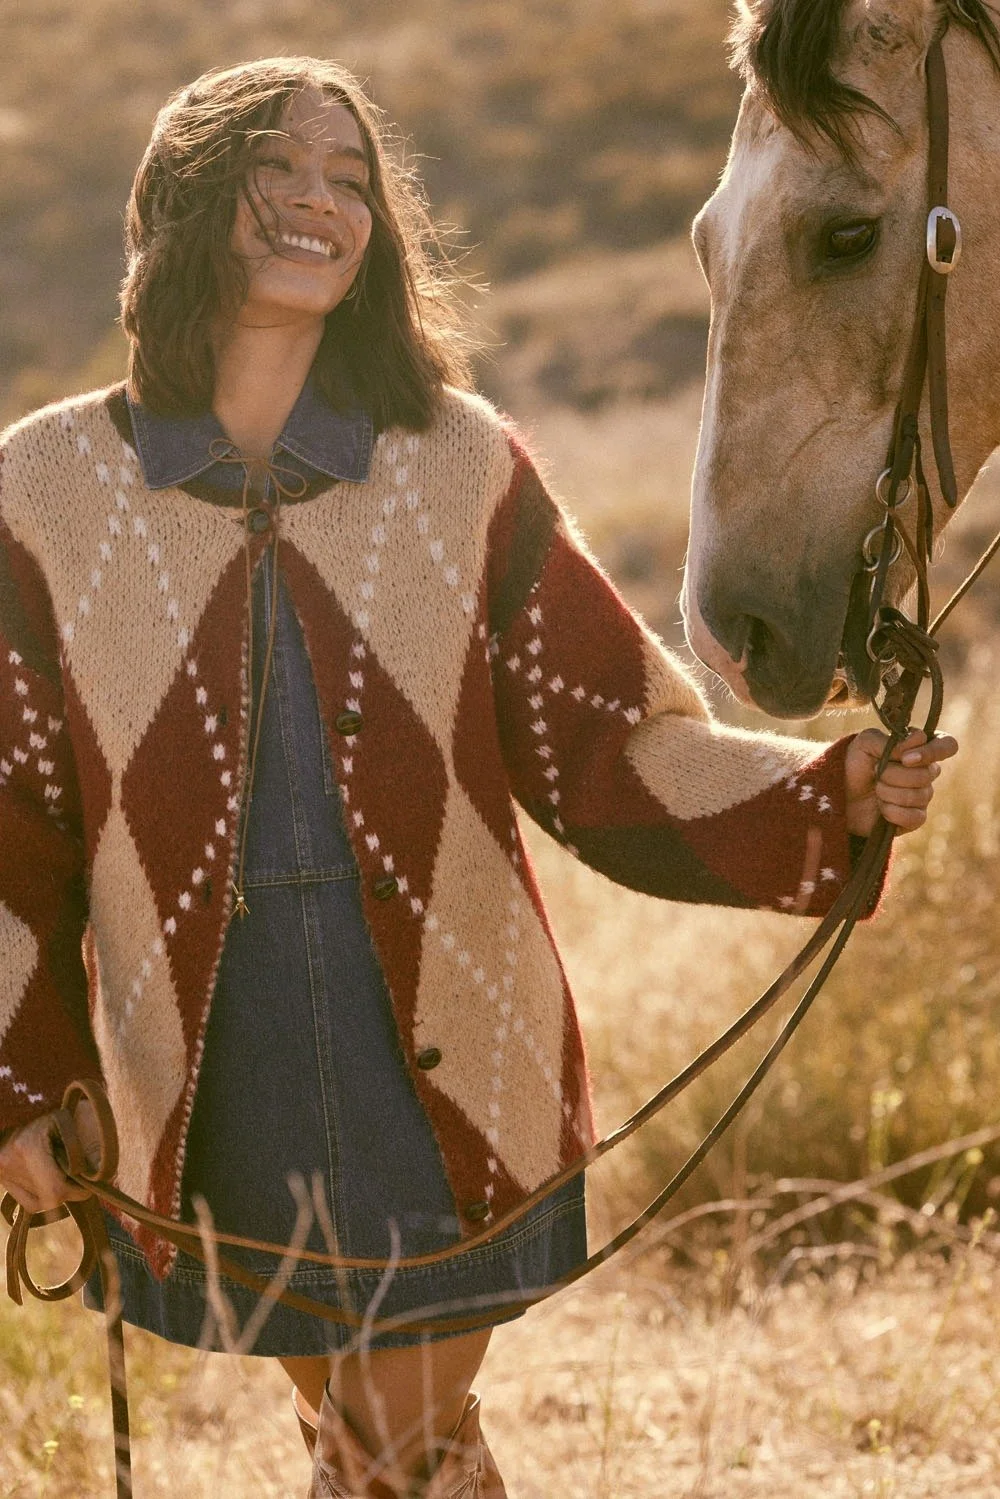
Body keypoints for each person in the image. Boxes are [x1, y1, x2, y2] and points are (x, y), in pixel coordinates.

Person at [0, 56, 956, 1499]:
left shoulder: (458, 463)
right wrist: (26, 1080)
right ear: (186, 198)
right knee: (391, 1452)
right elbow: (14, 826)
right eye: (285, 169)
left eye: (352, 179)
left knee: (389, 1450)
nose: (326, 201)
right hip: (205, 1072)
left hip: (440, 1057)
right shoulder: (45, 492)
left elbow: (611, 740)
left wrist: (823, 798)